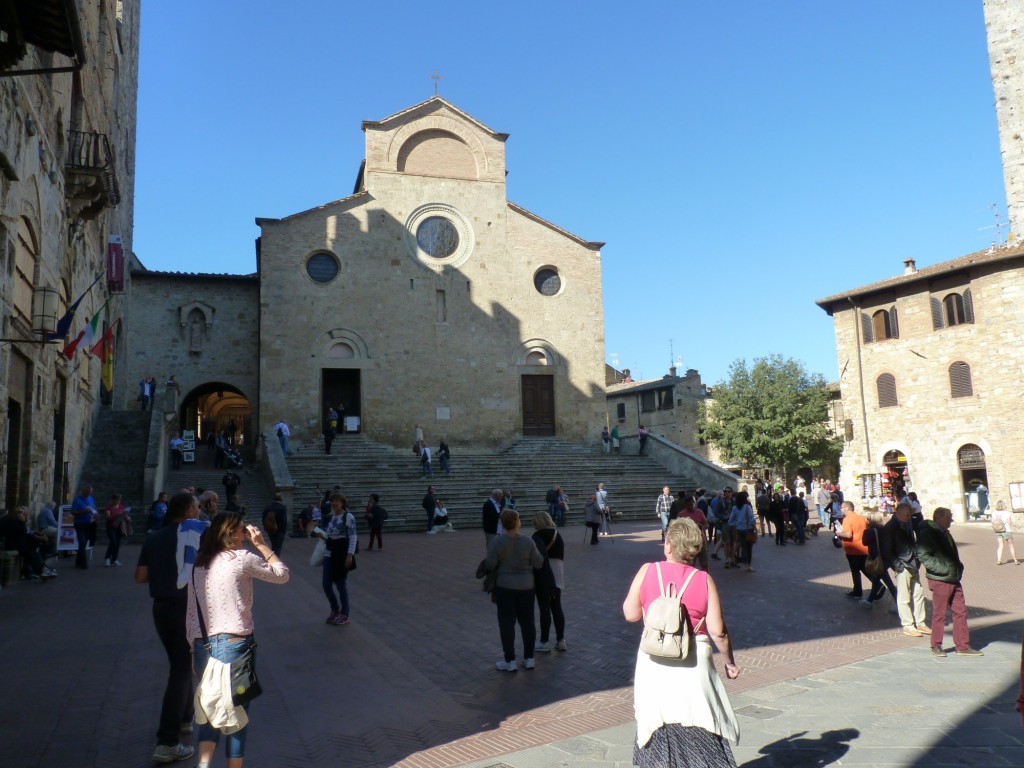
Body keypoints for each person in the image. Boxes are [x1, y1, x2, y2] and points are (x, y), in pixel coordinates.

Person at [622, 518, 740, 767]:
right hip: (693, 660)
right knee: (699, 721)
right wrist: (730, 663)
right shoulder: (703, 579)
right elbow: (718, 631)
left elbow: (630, 614)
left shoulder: (648, 570)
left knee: (657, 723)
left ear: (668, 546)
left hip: (654, 661)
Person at [186, 511, 289, 768]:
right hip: (234, 643)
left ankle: (203, 764)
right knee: (236, 713)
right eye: (242, 529)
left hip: (203, 644)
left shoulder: (199, 564)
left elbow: (190, 612)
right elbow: (282, 574)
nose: (246, 532)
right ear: (231, 534)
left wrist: (192, 649)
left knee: (210, 707)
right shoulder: (242, 558)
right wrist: (262, 545)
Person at [136, 492, 198, 765]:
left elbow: (140, 576)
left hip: (162, 609)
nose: (198, 511)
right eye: (196, 507)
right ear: (187, 511)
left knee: (181, 664)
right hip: (187, 607)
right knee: (181, 670)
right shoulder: (196, 536)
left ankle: (185, 718)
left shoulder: (154, 537)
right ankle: (167, 741)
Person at [917, 507, 983, 657]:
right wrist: (943, 568)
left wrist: (957, 568)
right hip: (941, 578)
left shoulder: (945, 533)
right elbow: (922, 555)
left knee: (960, 611)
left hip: (953, 577)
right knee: (940, 613)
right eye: (948, 518)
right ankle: (936, 645)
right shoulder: (929, 533)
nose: (951, 520)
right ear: (939, 517)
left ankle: (962, 645)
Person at [484, 508, 545, 671]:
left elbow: (489, 564)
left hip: (505, 585)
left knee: (506, 623)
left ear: (503, 524)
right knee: (527, 622)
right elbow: (539, 562)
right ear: (517, 522)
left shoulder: (497, 541)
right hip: (526, 585)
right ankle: (529, 657)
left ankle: (510, 660)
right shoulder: (527, 541)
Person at [882, 502, 928, 637]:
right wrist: (897, 565)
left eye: (910, 515)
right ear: (899, 513)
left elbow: (912, 543)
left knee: (918, 594)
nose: (909, 517)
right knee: (904, 596)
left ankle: (920, 622)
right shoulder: (890, 527)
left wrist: (917, 559)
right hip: (902, 565)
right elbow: (887, 550)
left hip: (912, 563)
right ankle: (908, 625)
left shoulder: (907, 524)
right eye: (907, 515)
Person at [313, 492, 356, 625]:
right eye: (332, 501)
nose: (334, 503)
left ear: (342, 503)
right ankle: (335, 609)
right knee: (326, 584)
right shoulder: (330, 517)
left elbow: (353, 537)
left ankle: (345, 614)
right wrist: (320, 535)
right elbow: (329, 536)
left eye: (336, 501)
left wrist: (350, 555)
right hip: (329, 554)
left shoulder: (348, 517)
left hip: (341, 555)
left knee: (340, 584)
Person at [532, 511, 566, 653]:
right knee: (556, 606)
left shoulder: (537, 536)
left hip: (543, 572)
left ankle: (544, 641)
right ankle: (561, 640)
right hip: (557, 571)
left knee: (544, 607)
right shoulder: (557, 534)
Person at [0, 507, 51, 580]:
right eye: (24, 513)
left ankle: (36, 570)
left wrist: (37, 537)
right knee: (31, 548)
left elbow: (26, 533)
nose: (25, 515)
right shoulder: (12, 521)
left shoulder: (14, 521)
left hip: (17, 544)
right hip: (10, 545)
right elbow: (23, 531)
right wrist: (23, 521)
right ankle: (40, 569)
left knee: (33, 547)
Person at [861, 511, 898, 609]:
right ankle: (869, 601)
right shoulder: (885, 529)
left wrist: (866, 530)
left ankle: (898, 602)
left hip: (879, 559)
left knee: (887, 582)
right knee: (877, 580)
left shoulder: (872, 531)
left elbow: (865, 542)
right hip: (886, 558)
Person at [835, 500, 871, 599]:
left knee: (855, 571)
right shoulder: (862, 518)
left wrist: (839, 533)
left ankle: (857, 591)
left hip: (853, 549)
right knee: (864, 569)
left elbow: (848, 534)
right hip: (864, 548)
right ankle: (877, 585)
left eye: (842, 507)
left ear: (847, 508)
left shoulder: (847, 519)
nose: (841, 509)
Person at [727, 490, 757, 572]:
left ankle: (745, 564)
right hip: (748, 529)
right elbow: (751, 518)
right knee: (749, 548)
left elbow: (730, 521)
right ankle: (749, 565)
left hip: (739, 529)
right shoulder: (747, 507)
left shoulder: (735, 508)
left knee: (743, 547)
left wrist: (736, 524)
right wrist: (754, 527)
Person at [71, 485, 98, 569]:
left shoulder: (91, 499)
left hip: (89, 523)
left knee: (84, 543)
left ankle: (78, 562)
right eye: (88, 492)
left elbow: (94, 508)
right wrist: (83, 511)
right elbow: (73, 512)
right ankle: (83, 564)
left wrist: (95, 514)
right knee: (82, 542)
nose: (89, 494)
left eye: (90, 492)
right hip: (80, 523)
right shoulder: (77, 500)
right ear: (84, 491)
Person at [103, 493, 127, 567]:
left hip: (119, 527)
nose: (118, 502)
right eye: (117, 500)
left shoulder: (121, 507)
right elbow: (107, 518)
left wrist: (126, 517)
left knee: (118, 543)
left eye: (119, 500)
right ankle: (107, 558)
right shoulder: (108, 508)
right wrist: (116, 515)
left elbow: (124, 515)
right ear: (113, 500)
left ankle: (114, 559)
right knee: (113, 542)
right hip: (111, 527)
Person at [993, 500, 1019, 565]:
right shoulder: (1007, 513)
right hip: (1006, 530)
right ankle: (1015, 560)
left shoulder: (994, 513)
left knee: (1000, 545)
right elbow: (1009, 523)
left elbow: (992, 522)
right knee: (1011, 546)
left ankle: (999, 560)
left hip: (998, 531)